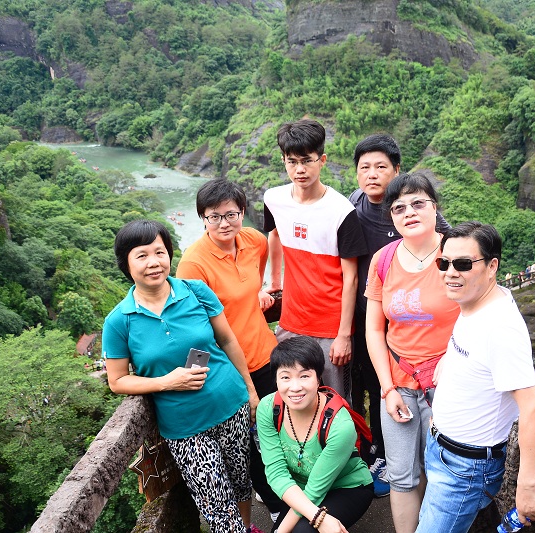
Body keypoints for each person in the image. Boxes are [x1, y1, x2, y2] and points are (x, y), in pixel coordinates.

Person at [103, 220, 260, 532]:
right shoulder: (119, 321)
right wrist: (167, 382)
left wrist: (251, 391)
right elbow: (117, 381)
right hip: (185, 427)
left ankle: (247, 527)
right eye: (142, 255)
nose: (153, 262)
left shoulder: (195, 291)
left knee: (241, 482)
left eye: (159, 252)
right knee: (217, 509)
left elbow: (227, 340)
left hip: (232, 404)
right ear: (126, 264)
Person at [415, 222, 535, 533]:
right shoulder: (474, 302)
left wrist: (528, 487)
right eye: (444, 263)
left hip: (465, 468)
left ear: (492, 267)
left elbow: (533, 409)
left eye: (463, 264)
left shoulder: (501, 328)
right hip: (443, 450)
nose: (450, 273)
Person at [348, 134, 451, 496]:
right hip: (378, 328)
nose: (372, 174)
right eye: (364, 167)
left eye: (381, 166)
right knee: (371, 386)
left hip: (440, 363)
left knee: (442, 467)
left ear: (396, 170)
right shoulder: (353, 207)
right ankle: (377, 454)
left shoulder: (449, 247)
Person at [176, 178, 281, 523]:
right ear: (203, 218)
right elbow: (193, 329)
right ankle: (278, 508)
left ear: (242, 212)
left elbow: (256, 274)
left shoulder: (253, 240)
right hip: (230, 368)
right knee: (249, 444)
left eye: (231, 214)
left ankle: (288, 496)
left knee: (278, 432)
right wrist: (198, 377)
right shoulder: (193, 264)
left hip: (266, 354)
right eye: (214, 216)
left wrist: (260, 291)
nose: (224, 223)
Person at [365, 173, 460, 533]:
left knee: (444, 472)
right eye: (399, 207)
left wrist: (453, 361)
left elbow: (479, 313)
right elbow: (375, 329)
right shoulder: (383, 260)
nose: (409, 212)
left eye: (419, 203)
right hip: (398, 383)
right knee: (402, 474)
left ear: (435, 208)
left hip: (448, 383)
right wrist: (387, 389)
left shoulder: (457, 254)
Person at [263, 119, 367, 404]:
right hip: (291, 321)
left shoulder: (341, 211)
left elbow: (351, 278)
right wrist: (274, 282)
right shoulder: (274, 199)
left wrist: (343, 335)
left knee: (334, 400)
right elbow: (274, 235)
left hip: (330, 327)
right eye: (292, 161)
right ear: (283, 161)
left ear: (322, 160)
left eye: (307, 160)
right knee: (291, 397)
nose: (300, 169)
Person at [257, 336, 374, 533]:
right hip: (301, 488)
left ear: (319, 378)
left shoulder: (340, 425)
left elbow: (315, 489)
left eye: (304, 376)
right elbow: (276, 473)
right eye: (285, 377)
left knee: (302, 531)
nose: (295, 387)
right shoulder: (269, 408)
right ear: (276, 379)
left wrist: (290, 527)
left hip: (346, 486)